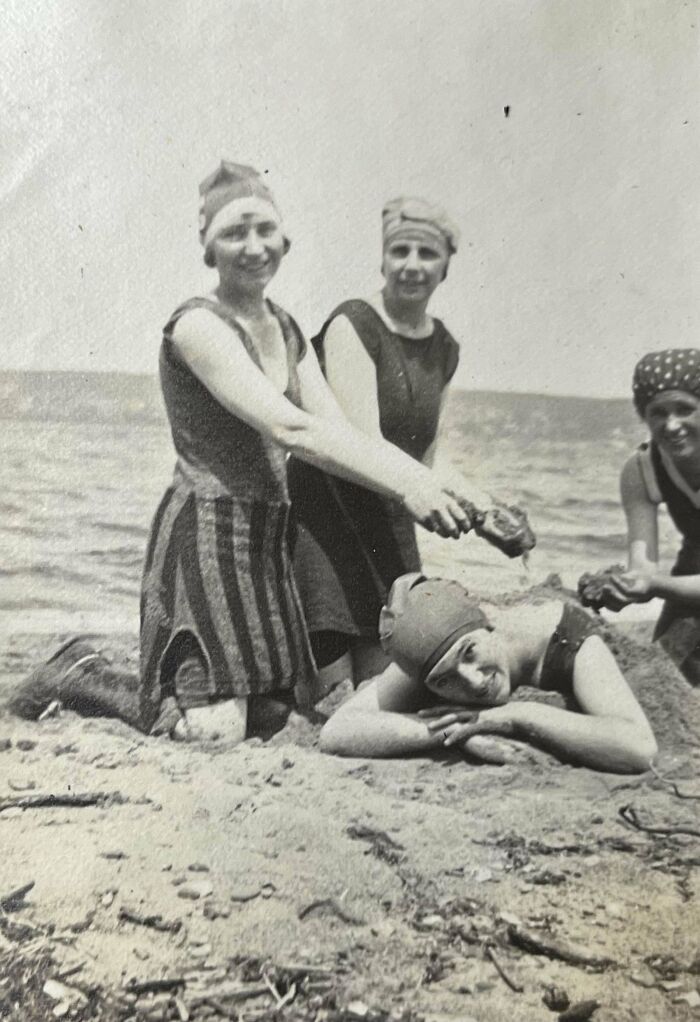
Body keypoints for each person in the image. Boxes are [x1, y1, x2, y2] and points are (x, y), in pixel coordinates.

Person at [12, 162, 491, 743]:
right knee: (210, 732)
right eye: (234, 233)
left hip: (268, 539)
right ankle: (83, 674)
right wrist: (412, 487)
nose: (253, 247)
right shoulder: (196, 326)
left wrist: (452, 492)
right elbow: (291, 428)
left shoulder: (287, 328)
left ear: (284, 240)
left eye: (265, 230)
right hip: (205, 537)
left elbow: (340, 431)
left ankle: (190, 695)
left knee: (279, 719)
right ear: (208, 248)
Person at [289, 197, 481, 699]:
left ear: (445, 267)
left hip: (387, 521)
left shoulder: (445, 347)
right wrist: (423, 490)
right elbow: (361, 442)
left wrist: (485, 511)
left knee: (386, 691)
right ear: (382, 260)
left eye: (426, 253)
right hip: (326, 519)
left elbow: (429, 461)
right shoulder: (353, 324)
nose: (412, 265)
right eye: (400, 251)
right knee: (333, 698)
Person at [319, 574, 657, 774]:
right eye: (444, 681)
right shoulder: (432, 650)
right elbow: (337, 731)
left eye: (471, 653)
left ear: (489, 624)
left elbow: (639, 748)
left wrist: (516, 715)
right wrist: (453, 730)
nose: (474, 680)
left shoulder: (566, 638)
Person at [579, 349, 700, 686]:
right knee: (663, 674)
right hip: (693, 572)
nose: (672, 425)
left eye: (685, 409)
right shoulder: (642, 469)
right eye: (658, 413)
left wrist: (656, 586)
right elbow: (642, 567)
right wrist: (624, 587)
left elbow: (655, 582)